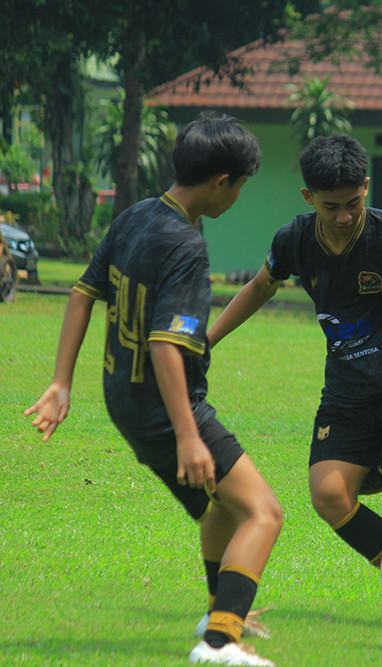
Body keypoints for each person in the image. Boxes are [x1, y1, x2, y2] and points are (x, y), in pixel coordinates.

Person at [24, 113, 283, 666]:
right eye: (240, 186)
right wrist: (188, 436)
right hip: (166, 408)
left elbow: (82, 292)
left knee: (222, 508)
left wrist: (61, 383)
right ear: (221, 182)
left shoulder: (136, 215)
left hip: (124, 398)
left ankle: (219, 613)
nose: (237, 196)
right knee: (263, 512)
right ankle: (220, 643)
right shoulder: (186, 245)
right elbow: (166, 346)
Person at [208, 134, 382, 636]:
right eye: (330, 206)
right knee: (329, 495)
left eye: (353, 203)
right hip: (345, 387)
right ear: (308, 197)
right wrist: (208, 340)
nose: (343, 216)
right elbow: (260, 287)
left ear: (366, 188)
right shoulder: (293, 240)